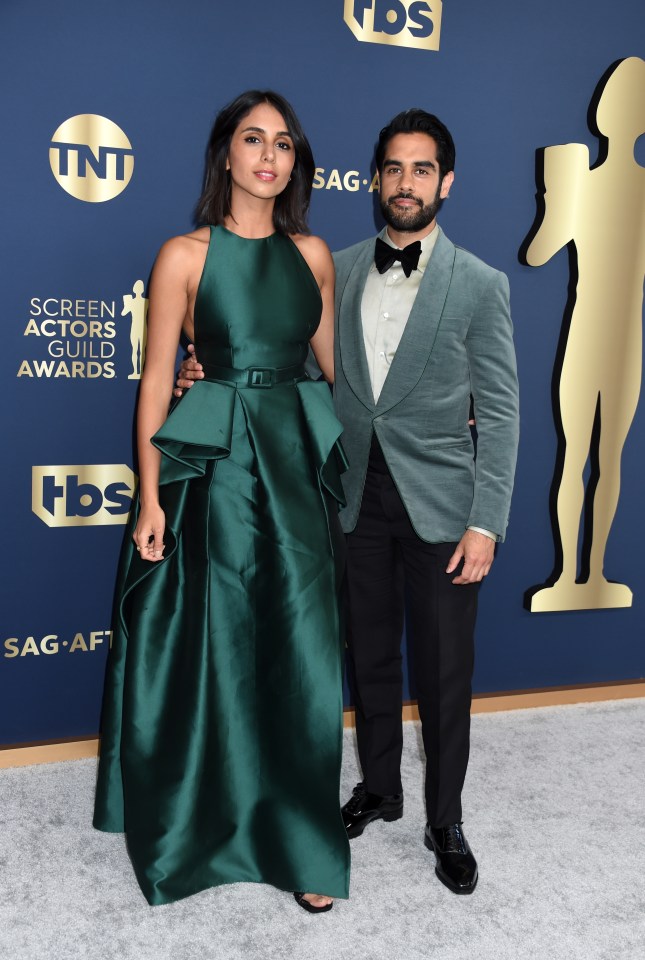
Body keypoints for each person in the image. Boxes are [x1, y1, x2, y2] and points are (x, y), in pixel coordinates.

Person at [177, 108, 520, 897]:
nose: (406, 183)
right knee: (367, 659)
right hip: (346, 496)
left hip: (443, 508)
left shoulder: (480, 284)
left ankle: (444, 821)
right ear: (373, 180)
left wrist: (485, 521)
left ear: (445, 182)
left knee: (443, 674)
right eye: (393, 168)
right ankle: (378, 788)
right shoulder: (329, 265)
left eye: (422, 169)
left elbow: (501, 414)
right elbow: (277, 361)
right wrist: (202, 373)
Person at [93, 90, 350, 912]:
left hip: (293, 468)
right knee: (219, 650)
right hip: (213, 471)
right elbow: (154, 383)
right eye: (252, 139)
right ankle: (203, 833)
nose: (268, 155)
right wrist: (148, 498)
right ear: (226, 155)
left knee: (302, 652)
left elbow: (341, 375)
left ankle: (302, 843)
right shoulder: (183, 255)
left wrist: (433, 408)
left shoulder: (313, 254)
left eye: (283, 142)